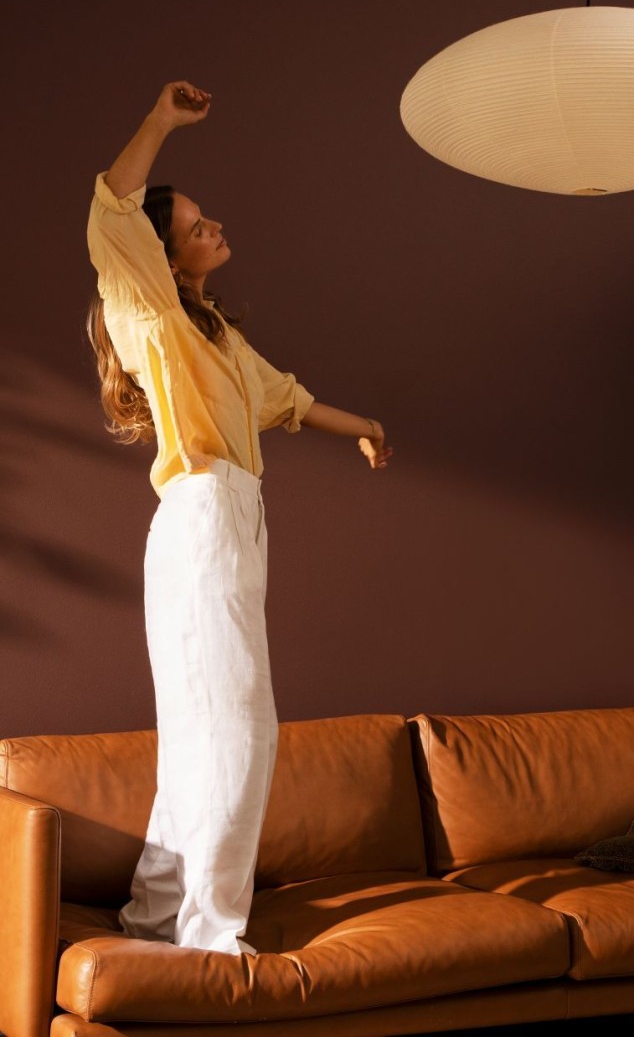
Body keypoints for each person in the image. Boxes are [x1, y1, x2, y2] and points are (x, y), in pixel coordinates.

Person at [85, 80, 393, 956]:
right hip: (203, 518)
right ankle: (212, 935)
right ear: (164, 252)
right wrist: (160, 120)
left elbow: (288, 401)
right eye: (194, 222)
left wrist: (364, 428)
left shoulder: (212, 332)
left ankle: (154, 917)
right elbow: (111, 211)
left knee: (202, 731)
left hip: (236, 520)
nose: (212, 226)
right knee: (236, 729)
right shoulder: (146, 308)